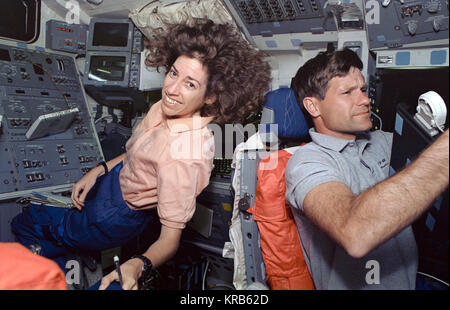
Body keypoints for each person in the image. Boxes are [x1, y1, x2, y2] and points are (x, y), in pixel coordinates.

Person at [12, 19, 271, 290]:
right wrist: (99, 170)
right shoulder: (165, 107)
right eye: (173, 73)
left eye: (190, 84)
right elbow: (137, 154)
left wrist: (138, 264)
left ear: (211, 96)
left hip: (117, 214)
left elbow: (170, 240)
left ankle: (45, 279)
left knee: (29, 221)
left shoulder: (185, 156)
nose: (172, 89)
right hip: (113, 183)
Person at [286, 48, 449, 289]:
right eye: (347, 92)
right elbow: (355, 233)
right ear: (313, 107)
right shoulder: (307, 162)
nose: (364, 99)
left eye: (362, 89)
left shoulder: (383, 141)